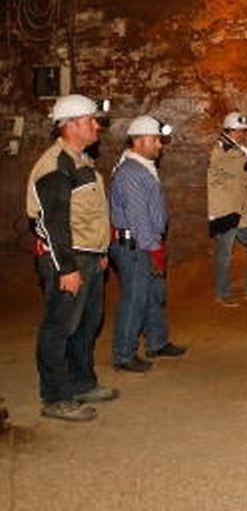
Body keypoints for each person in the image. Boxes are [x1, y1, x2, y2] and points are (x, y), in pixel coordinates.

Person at [27, 94, 117, 422]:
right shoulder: (55, 166)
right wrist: (65, 268)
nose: (97, 126)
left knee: (87, 324)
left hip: (89, 258)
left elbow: (89, 214)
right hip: (68, 260)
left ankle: (81, 382)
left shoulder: (81, 161)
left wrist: (101, 251)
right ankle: (55, 396)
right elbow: (53, 223)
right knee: (60, 327)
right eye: (91, 120)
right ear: (71, 125)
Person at [108, 115, 187, 371]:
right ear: (139, 141)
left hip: (145, 242)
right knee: (136, 298)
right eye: (155, 140)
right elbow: (138, 215)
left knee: (154, 295)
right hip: (135, 246)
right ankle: (123, 354)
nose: (159, 145)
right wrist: (153, 248)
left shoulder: (142, 166)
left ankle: (157, 341)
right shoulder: (130, 172)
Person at [207, 111, 247, 307]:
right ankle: (222, 293)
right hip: (226, 212)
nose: (242, 134)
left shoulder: (238, 148)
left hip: (240, 211)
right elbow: (246, 169)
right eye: (239, 131)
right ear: (228, 130)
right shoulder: (222, 150)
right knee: (224, 254)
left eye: (243, 131)